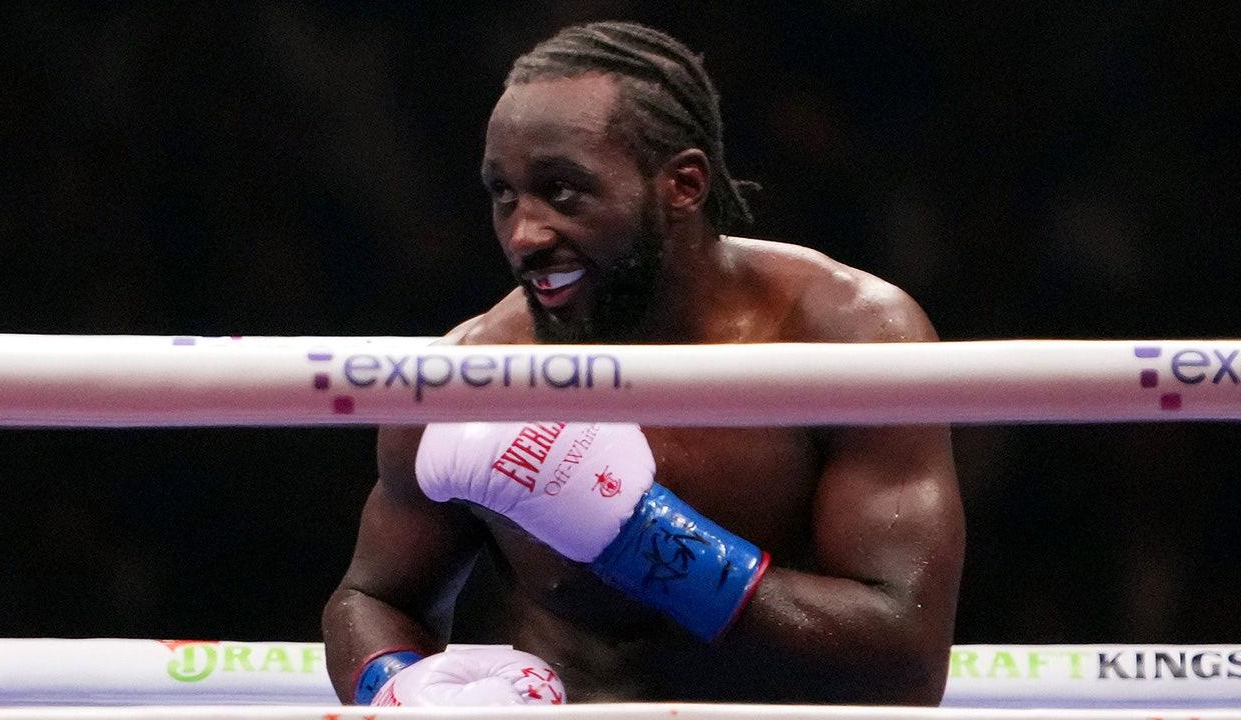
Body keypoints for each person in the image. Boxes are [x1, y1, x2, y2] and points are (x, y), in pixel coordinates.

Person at [323, 21, 964, 706]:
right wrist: (396, 688)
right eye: (503, 194)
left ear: (683, 184)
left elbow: (907, 667)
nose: (523, 235)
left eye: (562, 190)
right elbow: (372, 597)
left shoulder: (846, 339)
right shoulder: (478, 375)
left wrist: (638, 538)